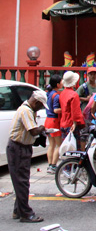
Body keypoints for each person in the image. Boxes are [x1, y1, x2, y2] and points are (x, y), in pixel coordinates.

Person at [7, 90, 48, 223]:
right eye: (41, 105)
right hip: (18, 148)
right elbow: (33, 130)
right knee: (22, 181)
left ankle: (18, 209)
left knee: (20, 181)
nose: (40, 108)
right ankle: (25, 213)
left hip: (21, 147)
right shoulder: (26, 111)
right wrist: (42, 128)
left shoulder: (28, 110)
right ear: (36, 102)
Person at [59, 71, 85, 149]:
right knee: (74, 149)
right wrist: (75, 123)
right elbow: (75, 111)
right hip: (71, 124)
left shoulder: (62, 93)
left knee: (66, 148)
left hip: (63, 122)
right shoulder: (74, 95)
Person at [45, 74, 63, 174]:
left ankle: (49, 165)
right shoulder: (56, 96)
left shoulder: (49, 93)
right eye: (61, 81)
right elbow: (56, 110)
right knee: (58, 145)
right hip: (54, 121)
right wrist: (64, 109)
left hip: (48, 120)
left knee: (51, 144)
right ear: (57, 84)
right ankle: (53, 165)